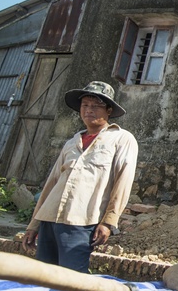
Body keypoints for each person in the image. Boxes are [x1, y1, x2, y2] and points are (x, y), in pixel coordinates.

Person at [22, 81, 138, 273]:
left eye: (95, 106)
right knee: (41, 277)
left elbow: (123, 182)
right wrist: (34, 224)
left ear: (109, 110)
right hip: (50, 219)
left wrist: (108, 222)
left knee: (71, 280)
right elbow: (52, 183)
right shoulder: (71, 142)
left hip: (81, 222)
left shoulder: (121, 139)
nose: (88, 110)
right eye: (85, 105)